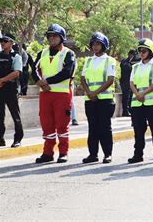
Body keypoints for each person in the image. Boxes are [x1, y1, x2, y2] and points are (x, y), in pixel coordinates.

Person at [32, 24, 76, 163]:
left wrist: (46, 82)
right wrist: (39, 82)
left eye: (55, 35)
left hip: (62, 95)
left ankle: (63, 152)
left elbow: (67, 72)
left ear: (61, 37)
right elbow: (34, 70)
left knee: (62, 124)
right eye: (49, 36)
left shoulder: (68, 53)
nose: (52, 38)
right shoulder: (42, 53)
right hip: (45, 95)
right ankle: (47, 153)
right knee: (47, 124)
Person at [127, 38, 153, 164]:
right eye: (140, 51)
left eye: (144, 51)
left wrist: (143, 93)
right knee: (138, 131)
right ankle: (138, 154)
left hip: (152, 103)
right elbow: (131, 82)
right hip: (137, 103)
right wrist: (137, 94)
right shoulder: (135, 66)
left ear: (151, 51)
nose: (142, 53)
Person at [81, 32, 116, 164]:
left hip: (105, 99)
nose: (95, 47)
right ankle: (92, 154)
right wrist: (89, 93)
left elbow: (110, 80)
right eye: (94, 44)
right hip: (90, 99)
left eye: (98, 44)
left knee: (104, 127)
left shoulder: (109, 60)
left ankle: (107, 154)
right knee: (93, 128)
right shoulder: (88, 60)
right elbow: (83, 79)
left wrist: (95, 93)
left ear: (103, 45)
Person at [0, 33, 24, 148]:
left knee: (15, 115)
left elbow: (17, 72)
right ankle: (0, 139)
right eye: (1, 41)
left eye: (5, 41)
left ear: (11, 43)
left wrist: (2, 80)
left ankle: (18, 138)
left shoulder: (16, 56)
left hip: (10, 89)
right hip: (0, 89)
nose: (2, 43)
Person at [120, 50, 137, 116]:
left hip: (130, 82)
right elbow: (128, 68)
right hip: (125, 82)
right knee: (126, 97)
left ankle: (129, 110)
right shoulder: (125, 62)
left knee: (130, 97)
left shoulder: (131, 62)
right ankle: (125, 111)